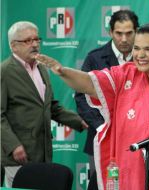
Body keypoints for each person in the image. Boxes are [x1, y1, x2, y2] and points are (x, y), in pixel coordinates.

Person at [36, 23, 149, 190]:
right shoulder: (125, 75)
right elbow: (91, 84)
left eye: (148, 49)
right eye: (137, 48)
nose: (140, 55)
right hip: (131, 176)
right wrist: (62, 71)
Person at [1, 21, 87, 187]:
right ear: (13, 46)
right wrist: (13, 146)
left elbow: (51, 106)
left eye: (37, 40)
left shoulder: (41, 69)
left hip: (43, 151)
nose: (34, 45)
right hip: (18, 154)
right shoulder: (4, 72)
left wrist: (80, 121)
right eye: (27, 41)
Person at [74, 10, 139, 189]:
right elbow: (81, 97)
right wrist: (103, 127)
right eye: (119, 33)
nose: (124, 39)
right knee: (102, 184)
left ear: (137, 32)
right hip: (102, 138)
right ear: (110, 32)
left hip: (138, 138)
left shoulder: (146, 58)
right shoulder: (94, 58)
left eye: (129, 33)